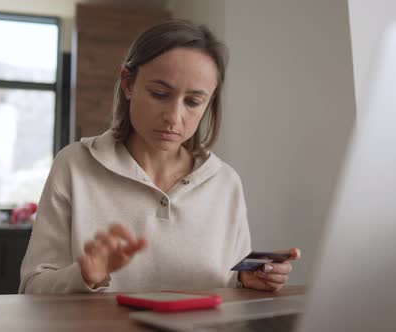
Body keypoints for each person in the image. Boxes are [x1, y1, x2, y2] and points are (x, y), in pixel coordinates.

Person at [19, 20, 300, 294]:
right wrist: (83, 275)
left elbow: (224, 285)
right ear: (128, 84)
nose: (174, 118)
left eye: (193, 102)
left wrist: (243, 279)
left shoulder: (225, 182)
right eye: (160, 94)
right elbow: (31, 289)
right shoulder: (75, 165)